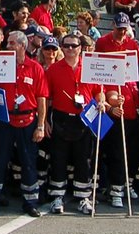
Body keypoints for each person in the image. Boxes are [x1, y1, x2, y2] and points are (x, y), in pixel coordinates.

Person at [0, 31, 47, 217]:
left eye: (12, 43)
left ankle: (30, 202)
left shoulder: (35, 68)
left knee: (28, 162)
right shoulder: (1, 65)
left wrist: (40, 126)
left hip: (28, 120)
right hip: (5, 119)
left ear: (22, 45)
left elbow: (41, 99)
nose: (8, 46)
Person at [41, 34, 99, 215]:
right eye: (66, 46)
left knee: (84, 159)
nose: (70, 49)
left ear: (80, 47)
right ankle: (57, 196)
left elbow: (99, 92)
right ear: (61, 48)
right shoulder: (53, 70)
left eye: (74, 46)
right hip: (61, 118)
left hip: (85, 118)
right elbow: (46, 98)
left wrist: (102, 102)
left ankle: (83, 197)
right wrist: (44, 121)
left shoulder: (91, 68)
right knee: (59, 158)